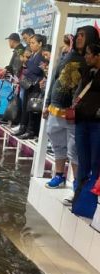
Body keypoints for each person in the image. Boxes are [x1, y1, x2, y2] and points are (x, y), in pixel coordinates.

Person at [42, 26, 98, 190]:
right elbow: (55, 78)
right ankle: (59, 175)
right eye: (78, 35)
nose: (79, 38)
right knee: (56, 141)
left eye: (83, 35)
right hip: (55, 108)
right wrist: (47, 104)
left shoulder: (92, 61)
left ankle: (77, 183)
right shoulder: (68, 56)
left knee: (74, 148)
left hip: (75, 113)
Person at [73, 42, 100, 195]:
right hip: (81, 121)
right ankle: (79, 195)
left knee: (96, 161)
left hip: (97, 124)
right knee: (82, 160)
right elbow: (78, 92)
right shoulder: (87, 71)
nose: (86, 57)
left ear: (98, 56)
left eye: (89, 54)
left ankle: (92, 197)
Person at [14, 34, 47, 139]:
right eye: (30, 43)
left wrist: (27, 62)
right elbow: (29, 70)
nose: (31, 45)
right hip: (28, 84)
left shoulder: (41, 55)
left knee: (33, 109)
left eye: (33, 43)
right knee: (26, 108)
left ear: (40, 43)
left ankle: (31, 130)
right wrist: (27, 65)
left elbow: (37, 70)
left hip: (36, 86)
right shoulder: (33, 55)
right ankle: (23, 127)